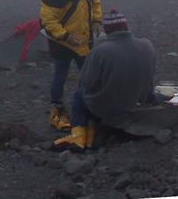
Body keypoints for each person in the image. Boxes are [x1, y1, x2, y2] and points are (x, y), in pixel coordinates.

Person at [53, 10, 158, 151]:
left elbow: (88, 83)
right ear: (126, 27)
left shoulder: (100, 52)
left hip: (109, 109)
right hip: (138, 101)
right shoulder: (147, 45)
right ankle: (91, 131)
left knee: (79, 94)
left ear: (107, 31)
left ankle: (79, 136)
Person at [39, 0, 102, 131]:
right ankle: (57, 107)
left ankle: (87, 106)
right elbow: (47, 18)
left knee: (88, 76)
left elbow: (95, 3)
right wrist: (65, 36)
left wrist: (97, 20)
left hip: (83, 42)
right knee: (60, 76)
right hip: (63, 44)